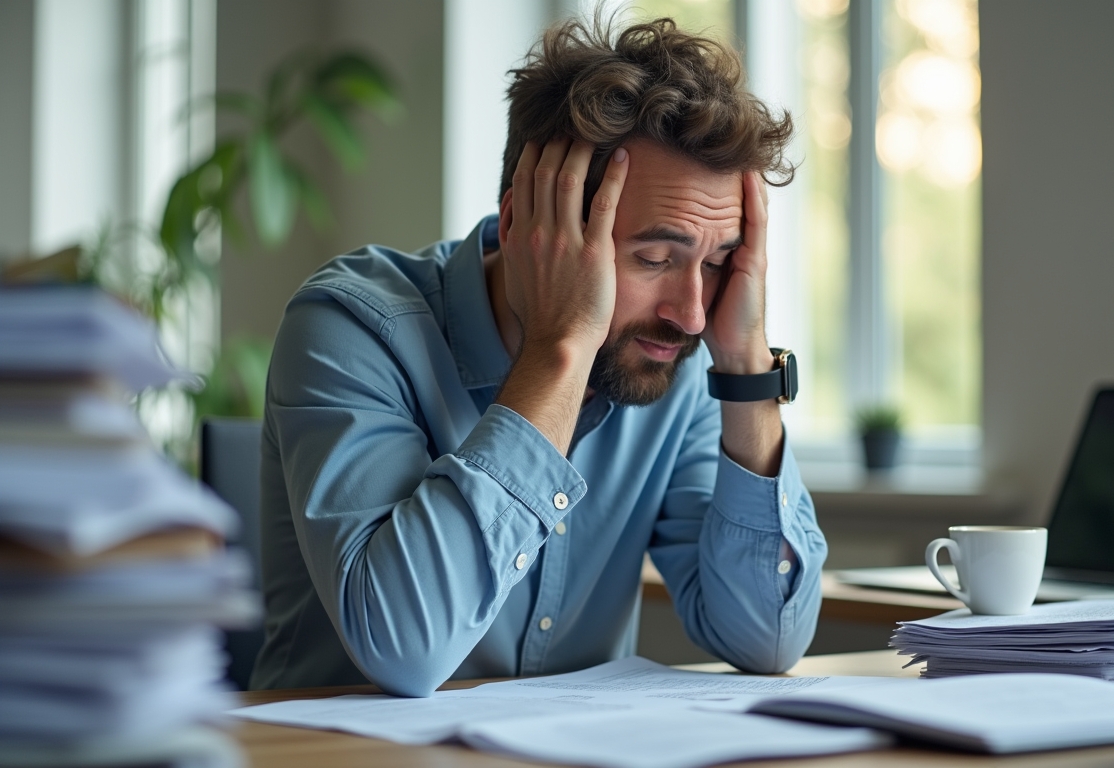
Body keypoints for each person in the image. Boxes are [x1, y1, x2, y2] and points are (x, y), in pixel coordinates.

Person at [250, 15, 826, 697]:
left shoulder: (671, 360)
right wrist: (561, 348)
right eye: (654, 257)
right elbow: (404, 647)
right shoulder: (352, 328)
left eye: (718, 263)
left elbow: (767, 639)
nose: (692, 312)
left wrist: (746, 370)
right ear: (532, 224)